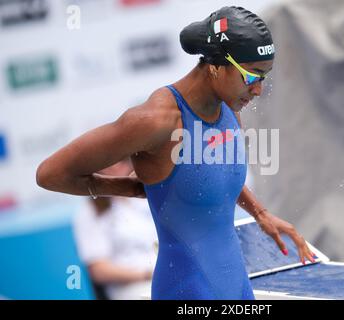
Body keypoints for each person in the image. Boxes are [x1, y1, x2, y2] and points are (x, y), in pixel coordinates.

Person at [36, 6, 316, 300]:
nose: (258, 90)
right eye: (252, 76)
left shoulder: (228, 109)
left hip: (237, 288)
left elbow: (214, 177)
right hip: (187, 291)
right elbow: (50, 174)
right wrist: (125, 188)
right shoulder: (155, 120)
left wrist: (260, 213)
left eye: (265, 77)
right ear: (216, 66)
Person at [73, 160, 158, 300]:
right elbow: (98, 269)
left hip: (167, 277)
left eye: (122, 161)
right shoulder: (90, 211)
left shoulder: (148, 197)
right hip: (133, 289)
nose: (117, 166)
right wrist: (146, 274)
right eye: (109, 163)